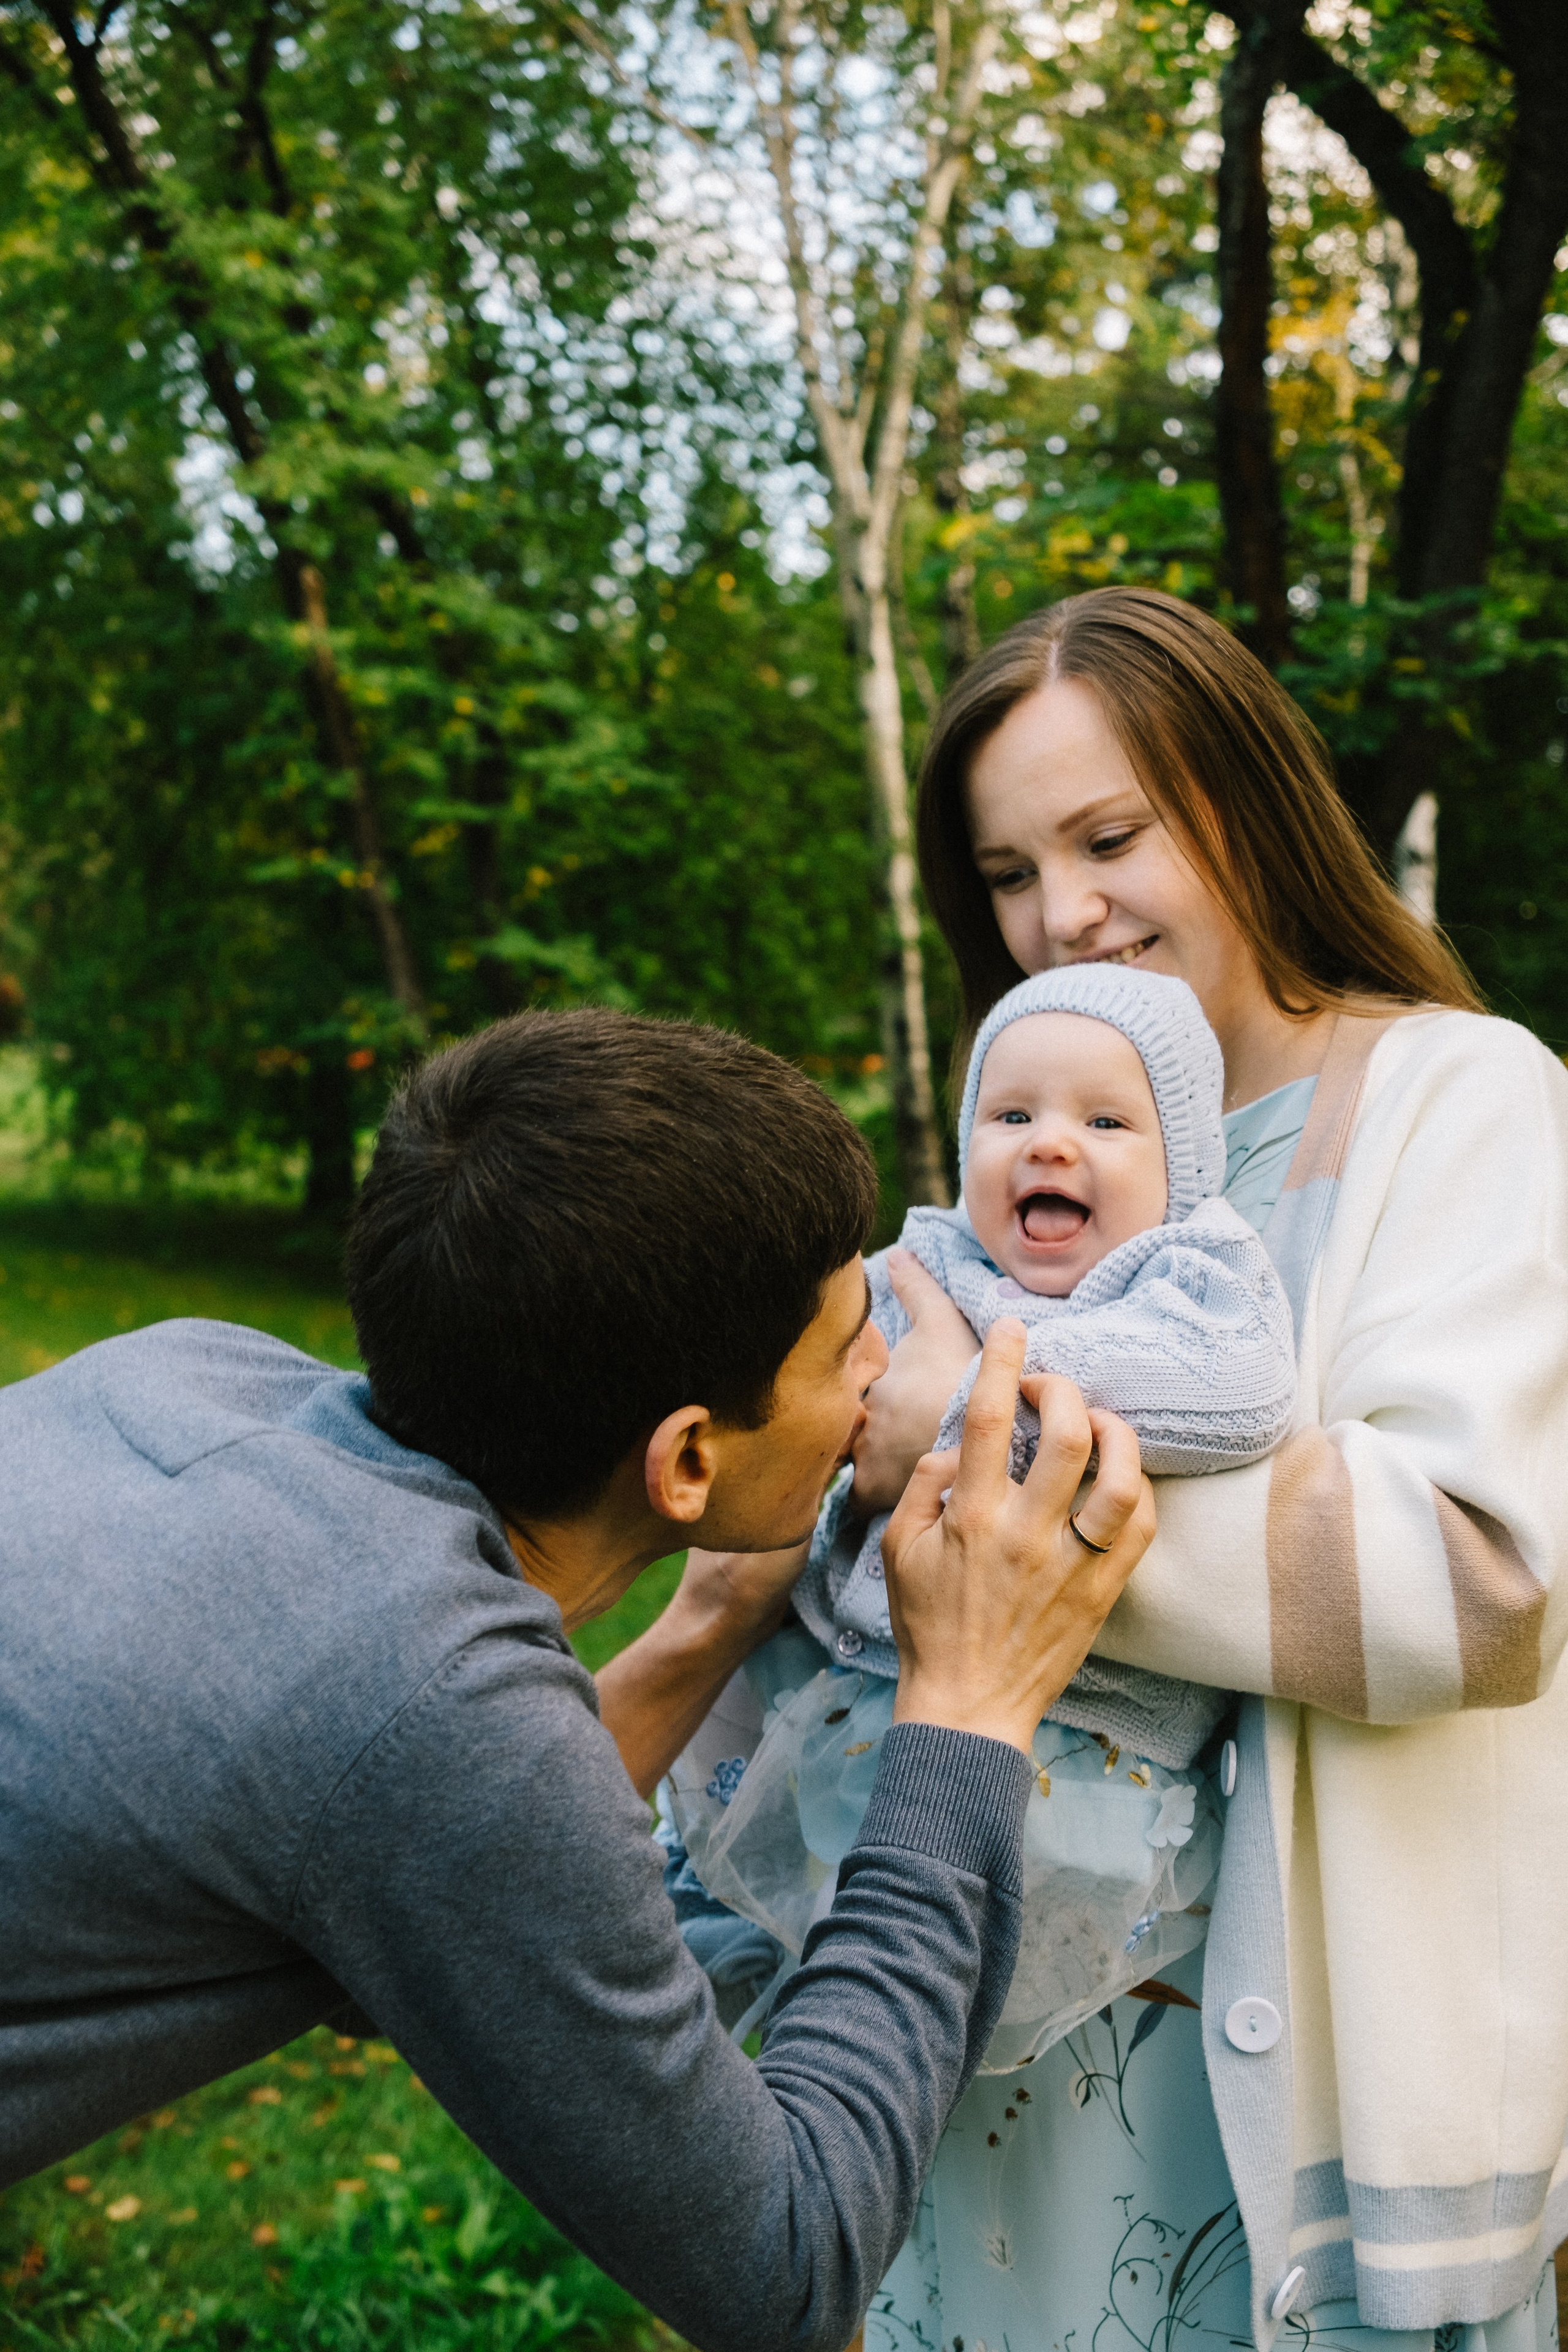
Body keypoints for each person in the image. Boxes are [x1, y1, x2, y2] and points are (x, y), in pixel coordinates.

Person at [0, 1006, 1155, 2352]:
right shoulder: (417, 1703)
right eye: (846, 1346)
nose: (886, 1375)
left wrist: (703, 1617)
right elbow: (785, 2269)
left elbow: (455, 1943)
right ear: (682, 1464)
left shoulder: (185, 1377)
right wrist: (964, 1709)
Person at [848, 587, 1568, 2352]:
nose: (1062, 915)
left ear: (1246, 806)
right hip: (1005, 2082)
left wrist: (973, 1451)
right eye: (1010, 874)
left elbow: (1479, 1581)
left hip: (1303, 2125)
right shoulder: (1021, 1157)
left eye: (1111, 838)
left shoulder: (1458, 1099)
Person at [666, 962, 1298, 2060]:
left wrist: (961, 1393)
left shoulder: (1190, 1276)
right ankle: (683, 2012)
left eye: (1106, 1119)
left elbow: (1234, 1396)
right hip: (853, 1680)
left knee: (952, 1976)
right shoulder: (930, 1259)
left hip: (1078, 1739)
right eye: (1013, 1114)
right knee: (761, 1902)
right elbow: (832, 1388)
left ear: (1183, 1165)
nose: (1051, 1143)